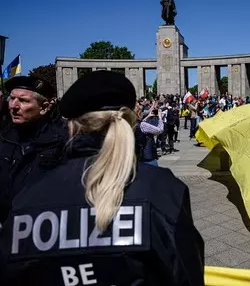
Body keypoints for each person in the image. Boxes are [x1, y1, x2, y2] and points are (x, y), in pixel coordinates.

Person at [0, 70, 205, 285]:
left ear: (70, 125)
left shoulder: (28, 198)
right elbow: (186, 274)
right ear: (130, 120)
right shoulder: (163, 189)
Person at [0, 76, 68, 224]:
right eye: (11, 98)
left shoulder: (63, 140)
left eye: (23, 100)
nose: (14, 106)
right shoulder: (4, 137)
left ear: (44, 107)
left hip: (44, 227)